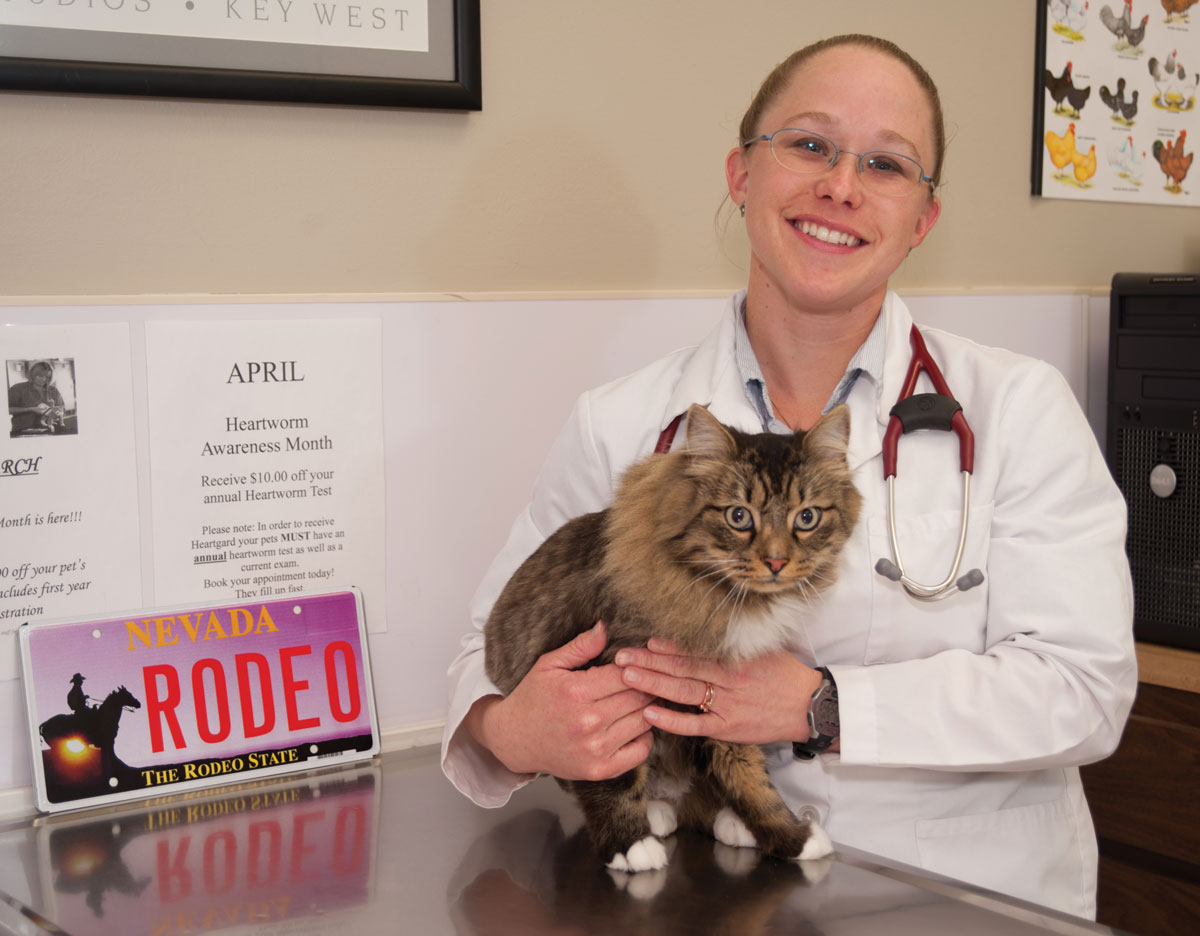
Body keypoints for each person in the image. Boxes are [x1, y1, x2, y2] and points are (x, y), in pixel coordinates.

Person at [442, 34, 1135, 920]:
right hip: (711, 900)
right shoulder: (624, 420)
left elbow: (1083, 691)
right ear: (741, 175)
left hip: (969, 904)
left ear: (922, 220)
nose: (840, 186)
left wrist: (823, 705)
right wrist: (512, 728)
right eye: (809, 145)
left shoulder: (1020, 409)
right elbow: (482, 655)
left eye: (886, 165)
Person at [8, 361, 65, 435]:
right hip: (22, 431)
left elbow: (61, 409)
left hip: (50, 430)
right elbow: (7, 410)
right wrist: (30, 409)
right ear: (33, 374)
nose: (44, 379)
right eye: (40, 376)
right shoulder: (18, 388)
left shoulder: (53, 390)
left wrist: (57, 414)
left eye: (47, 377)